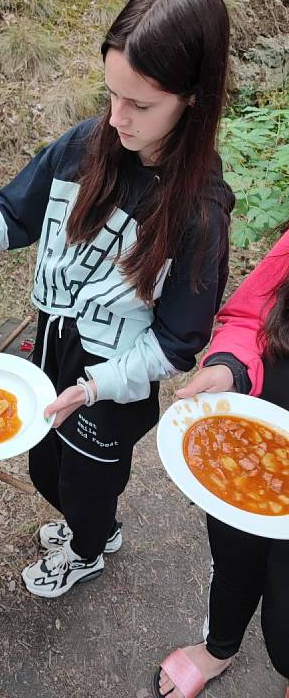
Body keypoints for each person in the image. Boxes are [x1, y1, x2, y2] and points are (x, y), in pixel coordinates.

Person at [0, 0, 235, 598]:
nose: (117, 119)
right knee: (46, 463)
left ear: (193, 97)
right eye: (112, 95)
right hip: (54, 347)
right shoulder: (89, 145)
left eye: (140, 105)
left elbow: (174, 346)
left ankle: (89, 547)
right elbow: (15, 211)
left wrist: (93, 388)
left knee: (88, 480)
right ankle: (92, 525)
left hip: (115, 379)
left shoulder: (199, 212)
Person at [153, 228, 289, 698]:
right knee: (233, 559)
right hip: (253, 454)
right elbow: (250, 317)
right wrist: (231, 367)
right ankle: (219, 648)